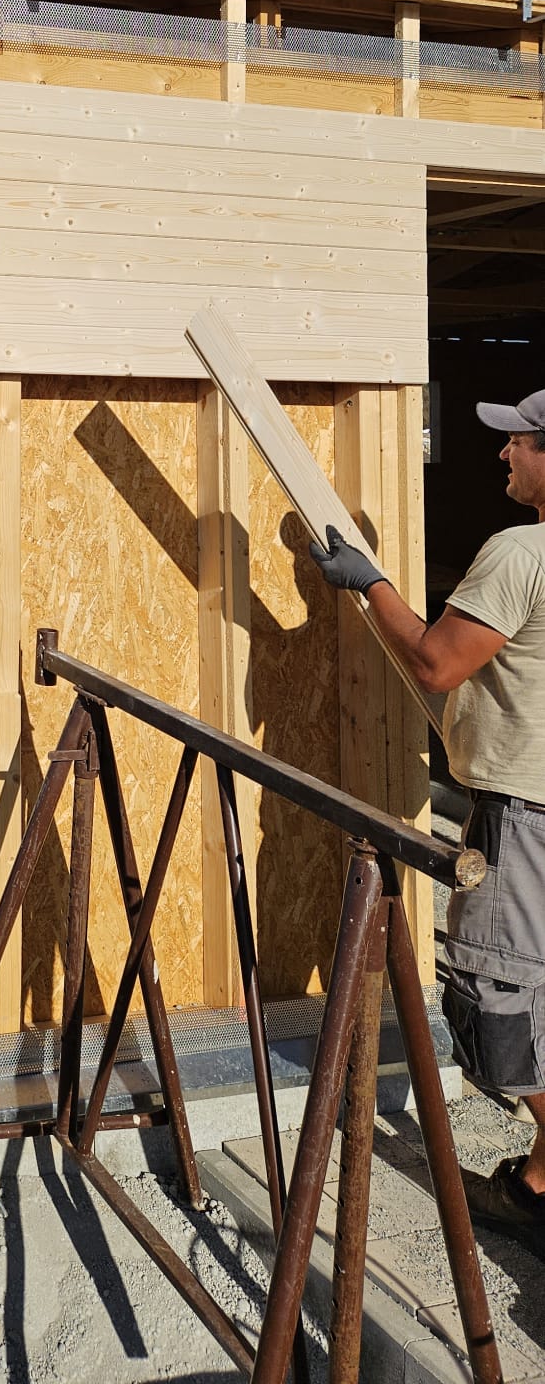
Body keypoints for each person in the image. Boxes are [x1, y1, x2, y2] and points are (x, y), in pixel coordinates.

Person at [310, 390, 545, 1232]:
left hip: (526, 815)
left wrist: (369, 582)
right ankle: (537, 1184)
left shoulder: (521, 553)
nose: (502, 457)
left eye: (516, 444)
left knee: (497, 994)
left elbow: (438, 663)